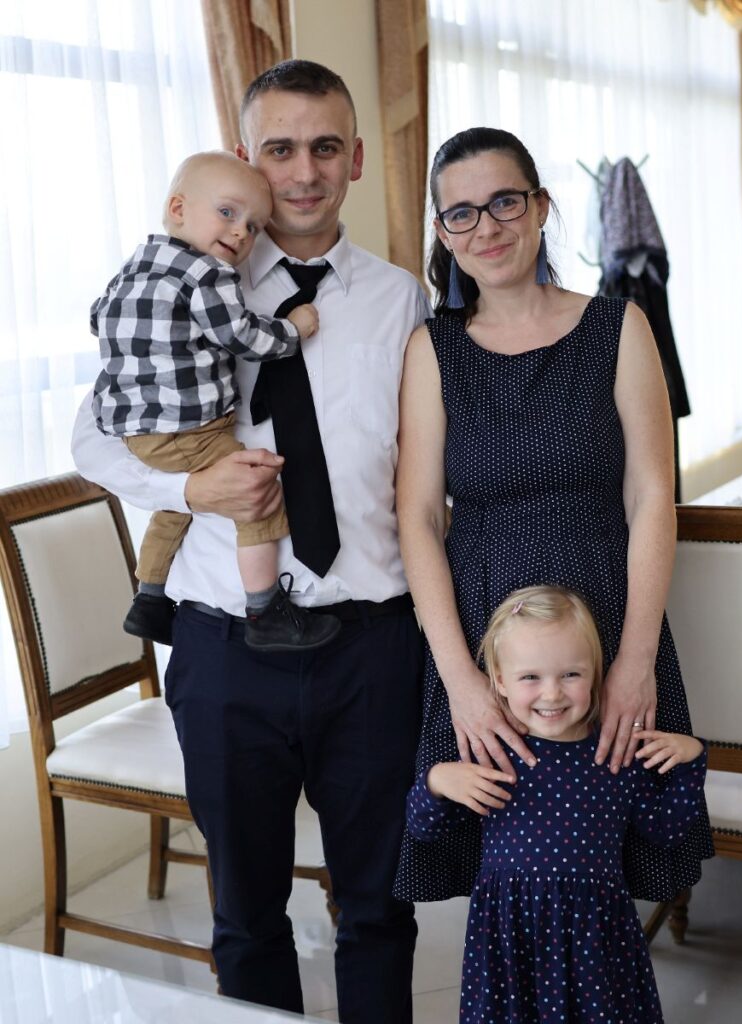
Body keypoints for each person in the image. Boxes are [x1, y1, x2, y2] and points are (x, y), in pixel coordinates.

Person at [72, 60, 430, 1021]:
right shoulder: (178, 279)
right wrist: (190, 486)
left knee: (379, 908)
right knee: (245, 917)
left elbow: (424, 467)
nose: (304, 172)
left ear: (357, 158)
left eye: (325, 147)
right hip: (225, 644)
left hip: (371, 643)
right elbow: (92, 441)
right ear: (246, 158)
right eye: (280, 149)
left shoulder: (401, 298)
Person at [393, 126, 713, 906]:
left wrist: (635, 659)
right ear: (443, 232)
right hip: (483, 634)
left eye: (505, 202)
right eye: (463, 213)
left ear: (541, 207)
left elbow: (651, 497)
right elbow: (418, 519)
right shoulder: (433, 349)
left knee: (613, 851)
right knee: (503, 859)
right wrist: (461, 680)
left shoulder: (619, 326)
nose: (488, 227)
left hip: (608, 617)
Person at [407, 584, 707, 1023]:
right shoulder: (491, 754)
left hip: (596, 939)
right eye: (531, 677)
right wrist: (435, 782)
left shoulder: (615, 754)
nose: (552, 694)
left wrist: (692, 761)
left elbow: (667, 829)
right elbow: (423, 828)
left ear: (596, 674)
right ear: (500, 680)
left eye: (571, 675)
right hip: (510, 938)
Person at [91, 150, 339, 653]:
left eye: (254, 226)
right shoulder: (208, 275)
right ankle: (264, 610)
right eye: (227, 212)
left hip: (136, 431)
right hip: (189, 428)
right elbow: (241, 336)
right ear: (178, 208)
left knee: (178, 506)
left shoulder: (134, 266)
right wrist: (293, 330)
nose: (241, 232)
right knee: (256, 495)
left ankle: (149, 599)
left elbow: (98, 319)